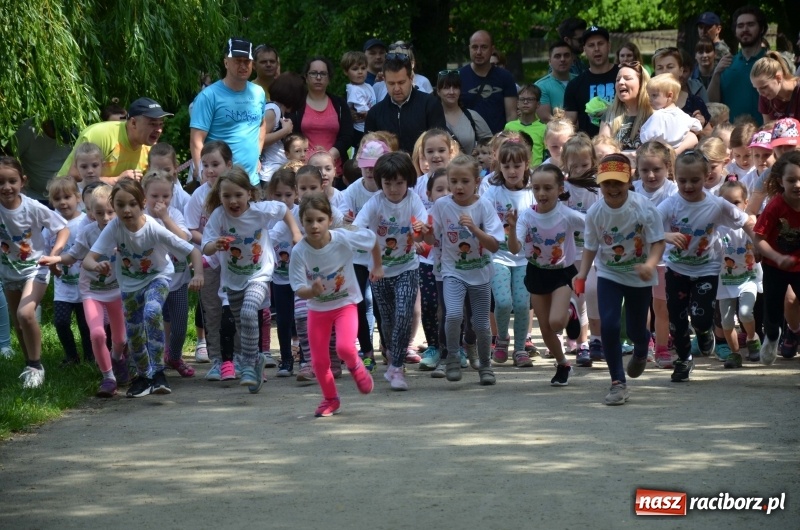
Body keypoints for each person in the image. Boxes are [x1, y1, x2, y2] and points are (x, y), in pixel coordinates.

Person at [84, 179, 203, 398]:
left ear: (143, 203)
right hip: (129, 284)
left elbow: (192, 251)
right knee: (134, 332)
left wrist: (199, 274)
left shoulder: (154, 228)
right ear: (114, 206)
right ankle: (143, 376)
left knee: (152, 311)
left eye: (132, 204)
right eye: (120, 205)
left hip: (158, 277)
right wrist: (97, 265)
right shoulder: (114, 227)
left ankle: (158, 373)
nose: (127, 210)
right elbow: (88, 259)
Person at [657, 151, 755, 382]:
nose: (688, 185)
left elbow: (745, 221)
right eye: (682, 180)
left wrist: (757, 244)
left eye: (695, 180)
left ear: (707, 176)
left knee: (700, 317)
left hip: (707, 270)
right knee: (677, 319)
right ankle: (683, 360)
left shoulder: (716, 204)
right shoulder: (670, 204)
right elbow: (648, 227)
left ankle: (703, 331)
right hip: (676, 269)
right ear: (675, 177)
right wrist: (667, 236)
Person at [575, 154, 665, 405]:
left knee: (636, 329)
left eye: (618, 182)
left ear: (629, 181)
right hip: (609, 273)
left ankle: (640, 348)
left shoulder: (643, 207)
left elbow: (658, 241)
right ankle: (617, 382)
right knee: (610, 325)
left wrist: (649, 264)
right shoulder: (595, 212)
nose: (613, 189)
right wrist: (582, 274)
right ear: (599, 184)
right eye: (607, 183)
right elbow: (591, 246)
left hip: (639, 275)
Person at [202, 166, 301, 393]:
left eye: (238, 194)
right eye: (226, 196)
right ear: (220, 197)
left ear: (249, 193)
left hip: (260, 273)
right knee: (242, 323)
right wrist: (215, 244)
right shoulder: (219, 216)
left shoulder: (259, 211)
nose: (233, 201)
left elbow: (284, 210)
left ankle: (247, 364)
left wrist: (295, 233)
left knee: (249, 312)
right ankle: (255, 361)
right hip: (234, 278)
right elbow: (205, 247)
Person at [289, 193, 382, 416]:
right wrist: (311, 291)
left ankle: (358, 367)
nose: (314, 225)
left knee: (344, 347)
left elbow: (372, 240)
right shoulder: (299, 251)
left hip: (345, 304)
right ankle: (331, 399)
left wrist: (377, 266)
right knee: (319, 362)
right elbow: (298, 287)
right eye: (308, 221)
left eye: (320, 220)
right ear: (301, 222)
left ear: (329, 220)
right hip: (318, 310)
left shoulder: (342, 238)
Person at [423, 154, 504, 384]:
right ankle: (451, 359)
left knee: (480, 324)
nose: (459, 186)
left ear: (477, 182)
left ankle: (486, 367)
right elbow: (432, 237)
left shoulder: (484, 206)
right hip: (451, 271)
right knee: (453, 315)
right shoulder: (441, 205)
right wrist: (423, 231)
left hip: (480, 274)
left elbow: (495, 244)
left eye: (465, 181)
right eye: (454, 181)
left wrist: (474, 229)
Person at [41, 184, 128, 396]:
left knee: (121, 340)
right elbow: (73, 255)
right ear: (90, 212)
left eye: (110, 212)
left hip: (117, 292)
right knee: (97, 334)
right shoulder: (88, 232)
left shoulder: (124, 230)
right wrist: (57, 258)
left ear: (117, 209)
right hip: (91, 292)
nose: (106, 217)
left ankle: (117, 359)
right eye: (99, 213)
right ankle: (108, 377)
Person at [353, 152, 427, 389]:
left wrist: (421, 232)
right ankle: (392, 355)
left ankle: (396, 368)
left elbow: (424, 229)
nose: (394, 189)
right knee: (387, 320)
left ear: (408, 181)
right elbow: (357, 228)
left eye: (400, 183)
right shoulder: (375, 202)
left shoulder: (413, 199)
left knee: (405, 312)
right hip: (378, 271)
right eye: (388, 183)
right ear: (380, 182)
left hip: (407, 266)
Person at [507, 163, 584, 384]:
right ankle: (563, 364)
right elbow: (514, 248)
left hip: (562, 273)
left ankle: (570, 311)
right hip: (536, 272)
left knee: (557, 322)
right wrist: (512, 228)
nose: (541, 193)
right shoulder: (526, 217)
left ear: (560, 189)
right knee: (546, 327)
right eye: (537, 188)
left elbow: (595, 226)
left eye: (548, 188)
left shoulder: (567, 215)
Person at [0, 157, 69, 388]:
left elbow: (62, 228)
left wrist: (55, 255)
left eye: (12, 181)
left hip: (35, 268)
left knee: (26, 314)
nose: (6, 187)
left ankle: (36, 366)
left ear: (23, 182)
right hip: (9, 272)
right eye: (1, 182)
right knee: (19, 324)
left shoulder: (32, 207)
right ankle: (28, 363)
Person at [482, 141, 535, 367]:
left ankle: (521, 349)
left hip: (525, 259)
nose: (512, 171)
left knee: (522, 305)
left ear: (526, 165)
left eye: (517, 166)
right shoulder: (493, 192)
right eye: (506, 166)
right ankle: (502, 339)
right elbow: (481, 217)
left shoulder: (533, 191)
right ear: (499, 167)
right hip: (498, 257)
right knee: (503, 303)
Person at [140, 169, 195, 378]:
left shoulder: (175, 215)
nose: (160, 201)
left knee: (180, 325)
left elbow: (184, 240)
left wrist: (166, 218)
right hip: (151, 281)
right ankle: (151, 362)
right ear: (144, 196)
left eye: (166, 196)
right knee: (152, 321)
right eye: (155, 196)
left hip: (178, 280)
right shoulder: (141, 217)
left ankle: (174, 355)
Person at [184, 141, 233, 376]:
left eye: (216, 164)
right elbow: (190, 228)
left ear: (229, 165)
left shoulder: (235, 192)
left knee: (235, 311)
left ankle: (238, 358)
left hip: (235, 261)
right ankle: (216, 359)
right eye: (205, 165)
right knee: (211, 312)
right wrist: (210, 242)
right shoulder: (198, 195)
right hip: (208, 261)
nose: (210, 170)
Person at [190, 38, 266, 186]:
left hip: (251, 181)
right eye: (238, 61)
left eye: (247, 61)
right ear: (226, 62)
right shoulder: (208, 96)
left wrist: (257, 155)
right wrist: (202, 173)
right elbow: (196, 140)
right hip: (219, 182)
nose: (243, 66)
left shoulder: (258, 93)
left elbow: (261, 124)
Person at [632, 141, 678, 369]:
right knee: (641, 306)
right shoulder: (631, 191)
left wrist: (666, 236)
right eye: (644, 170)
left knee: (661, 307)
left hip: (664, 260)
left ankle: (661, 348)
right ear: (637, 169)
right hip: (637, 260)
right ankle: (645, 343)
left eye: (657, 169)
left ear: (668, 167)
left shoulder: (674, 191)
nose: (650, 175)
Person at [753, 151, 800, 365]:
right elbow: (758, 238)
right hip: (774, 266)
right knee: (772, 313)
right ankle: (772, 337)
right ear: (781, 181)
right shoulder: (775, 206)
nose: (797, 185)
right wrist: (776, 257)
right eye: (792, 180)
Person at [39, 177, 92, 366]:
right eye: (57, 198)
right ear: (51, 201)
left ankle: (90, 357)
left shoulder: (85, 222)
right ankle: (71, 356)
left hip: (86, 286)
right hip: (63, 287)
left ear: (78, 197)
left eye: (67, 197)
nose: (62, 202)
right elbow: (44, 254)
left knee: (86, 325)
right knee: (61, 322)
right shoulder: (49, 228)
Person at [59, 98, 172, 183]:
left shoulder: (150, 148)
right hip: (68, 200)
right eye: (152, 124)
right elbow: (75, 175)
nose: (159, 130)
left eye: (161, 124)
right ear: (133, 123)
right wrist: (116, 180)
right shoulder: (100, 135)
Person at [714, 180, 762, 368]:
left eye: (735, 202)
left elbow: (762, 241)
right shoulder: (716, 227)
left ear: (745, 202)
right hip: (724, 281)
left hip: (748, 278)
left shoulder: (751, 225)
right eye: (724, 202)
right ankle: (735, 354)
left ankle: (752, 337)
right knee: (726, 321)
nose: (729, 207)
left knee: (744, 313)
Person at [364, 54, 446, 153]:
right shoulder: (375, 113)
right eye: (391, 83)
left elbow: (440, 143)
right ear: (384, 81)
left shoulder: (430, 104)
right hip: (387, 167)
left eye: (401, 82)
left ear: (411, 78)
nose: (397, 88)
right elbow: (368, 151)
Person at [287, 56, 353, 176]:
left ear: (329, 78)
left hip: (335, 170)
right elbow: (291, 136)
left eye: (323, 74)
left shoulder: (339, 104)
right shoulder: (296, 104)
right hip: (304, 171)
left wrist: (329, 156)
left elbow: (347, 135)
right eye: (313, 73)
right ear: (306, 77)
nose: (318, 77)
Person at [708, 6, 768, 124]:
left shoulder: (770, 62)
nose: (745, 29)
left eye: (750, 24)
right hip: (732, 136)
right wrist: (716, 74)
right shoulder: (726, 64)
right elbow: (713, 103)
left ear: (761, 28)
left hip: (764, 135)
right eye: (740, 26)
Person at [458, 30, 519, 134]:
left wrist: (508, 141)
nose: (478, 52)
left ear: (492, 49)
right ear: (469, 49)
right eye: (474, 47)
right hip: (467, 141)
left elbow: (511, 115)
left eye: (484, 47)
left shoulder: (505, 77)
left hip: (498, 140)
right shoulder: (458, 76)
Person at [564, 25, 619, 138]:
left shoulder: (624, 76)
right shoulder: (575, 85)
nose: (596, 49)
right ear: (584, 49)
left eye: (600, 43)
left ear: (609, 46)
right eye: (591, 45)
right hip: (589, 149)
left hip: (623, 144)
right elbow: (568, 124)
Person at [259, 73, 306, 185]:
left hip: (276, 174)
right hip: (269, 176)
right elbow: (260, 140)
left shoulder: (277, 110)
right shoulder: (273, 111)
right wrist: (284, 131)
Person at [640, 74, 702, 153]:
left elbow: (646, 137)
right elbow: (698, 127)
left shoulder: (658, 116)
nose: (650, 99)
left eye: (654, 95)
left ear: (669, 96)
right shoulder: (682, 115)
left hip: (658, 152)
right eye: (649, 95)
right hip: (680, 154)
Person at [599, 61, 652, 152]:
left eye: (627, 78)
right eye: (617, 79)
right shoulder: (610, 114)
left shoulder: (654, 114)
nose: (621, 82)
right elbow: (602, 150)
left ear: (642, 83)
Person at [14, 119, 73, 202]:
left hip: (66, 196)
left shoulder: (73, 127)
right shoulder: (30, 129)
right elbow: (9, 155)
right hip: (35, 196)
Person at [436, 70, 491, 154]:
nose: (451, 92)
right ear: (438, 91)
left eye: (455, 88)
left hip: (469, 166)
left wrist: (479, 153)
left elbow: (490, 143)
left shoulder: (472, 116)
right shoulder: (432, 118)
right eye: (446, 88)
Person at [750, 51, 800, 123]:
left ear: (778, 78)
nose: (760, 93)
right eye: (757, 88)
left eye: (764, 87)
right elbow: (767, 129)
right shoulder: (766, 96)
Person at [341, 51, 376, 149]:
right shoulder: (354, 90)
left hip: (368, 127)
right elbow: (363, 112)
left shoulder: (367, 86)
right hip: (360, 131)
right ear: (346, 71)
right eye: (355, 69)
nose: (360, 71)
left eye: (363, 68)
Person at [535, 42, 577, 124]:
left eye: (566, 55)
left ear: (572, 60)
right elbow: (545, 119)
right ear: (549, 61)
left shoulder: (580, 80)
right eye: (557, 56)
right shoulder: (540, 87)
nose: (562, 59)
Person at [504, 85, 546, 165]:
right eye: (522, 99)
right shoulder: (509, 126)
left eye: (530, 99)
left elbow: (547, 154)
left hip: (536, 172)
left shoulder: (544, 128)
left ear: (538, 104)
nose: (525, 102)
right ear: (517, 103)